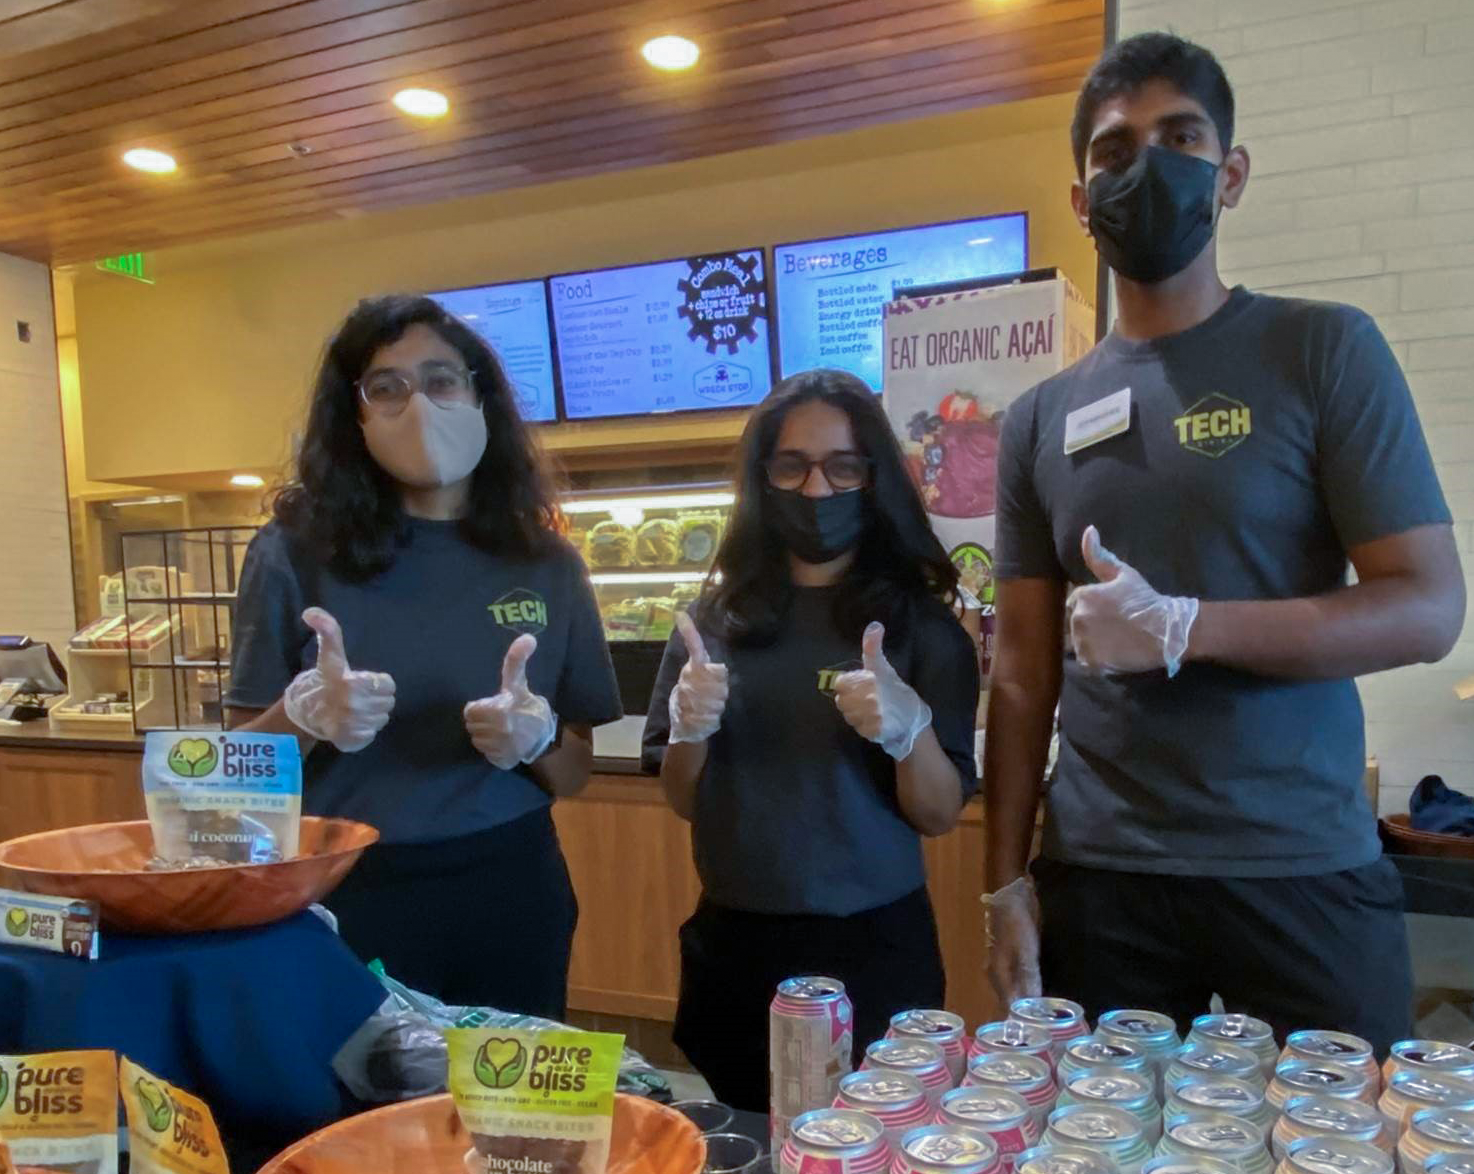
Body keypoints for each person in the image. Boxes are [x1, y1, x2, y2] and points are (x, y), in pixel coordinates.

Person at [983, 33, 1466, 1052]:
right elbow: (1022, 676)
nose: (1145, 167)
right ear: (1081, 199)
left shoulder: (1321, 349)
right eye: (1113, 151)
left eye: (1180, 137)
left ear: (1229, 174)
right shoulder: (1036, 418)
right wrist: (1002, 885)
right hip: (1101, 879)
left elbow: (1425, 606)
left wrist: (1186, 625)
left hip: (1298, 871)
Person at [226, 294, 620, 1017]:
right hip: (351, 889)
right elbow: (236, 774)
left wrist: (536, 739)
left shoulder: (546, 561)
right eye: (387, 387)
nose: (419, 406)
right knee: (363, 1114)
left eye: (441, 380)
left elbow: (575, 771)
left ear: (479, 394)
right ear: (356, 414)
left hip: (511, 883)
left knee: (515, 1119)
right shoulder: (291, 554)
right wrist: (302, 717)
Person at [643, 369, 981, 1111]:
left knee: (875, 1158)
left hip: (875, 946)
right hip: (739, 942)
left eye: (842, 466)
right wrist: (691, 726)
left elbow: (938, 813)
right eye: (792, 465)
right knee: (754, 1155)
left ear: (874, 476)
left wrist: (910, 731)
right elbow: (682, 797)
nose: (817, 489)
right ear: (764, 478)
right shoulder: (713, 622)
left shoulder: (922, 627)